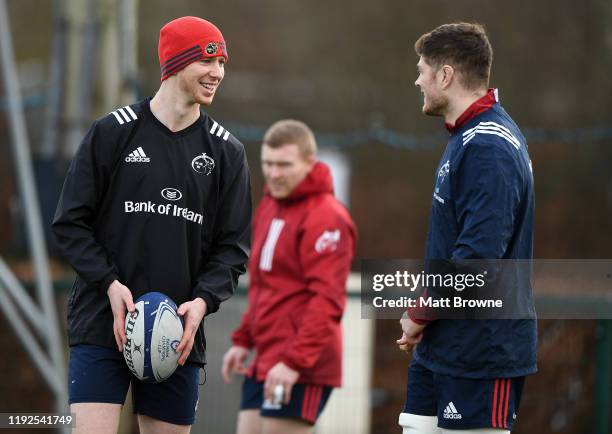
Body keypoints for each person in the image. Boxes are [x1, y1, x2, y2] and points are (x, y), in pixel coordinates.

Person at [52, 16, 251, 434]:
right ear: (176, 63)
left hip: (175, 336)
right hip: (101, 324)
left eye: (222, 64)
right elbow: (70, 223)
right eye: (208, 61)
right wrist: (108, 283)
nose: (218, 73)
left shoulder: (226, 152)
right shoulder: (111, 133)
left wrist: (201, 303)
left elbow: (232, 249)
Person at [396, 23, 536, 434]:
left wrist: (420, 312)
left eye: (422, 69)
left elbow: (478, 260)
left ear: (445, 75)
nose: (417, 79)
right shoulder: (467, 138)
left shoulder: (489, 146)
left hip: (481, 354)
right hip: (441, 347)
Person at [221, 119, 357, 434]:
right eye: (268, 163)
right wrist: (244, 340)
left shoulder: (327, 216)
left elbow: (327, 300)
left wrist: (294, 362)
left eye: (284, 164)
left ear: (310, 163)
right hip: (265, 360)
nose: (274, 173)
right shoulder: (270, 205)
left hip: (301, 366)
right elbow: (264, 285)